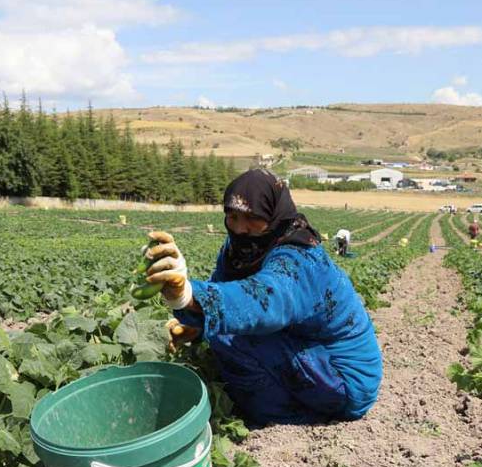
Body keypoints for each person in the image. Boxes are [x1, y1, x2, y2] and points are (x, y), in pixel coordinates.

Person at [144, 169, 383, 426]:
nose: (240, 228)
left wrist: (191, 296)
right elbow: (225, 287)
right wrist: (195, 325)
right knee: (220, 333)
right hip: (312, 357)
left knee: (231, 339)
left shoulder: (299, 256)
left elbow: (266, 300)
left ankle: (281, 418)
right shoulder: (241, 250)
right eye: (232, 216)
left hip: (347, 380)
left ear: (274, 216)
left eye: (252, 218)